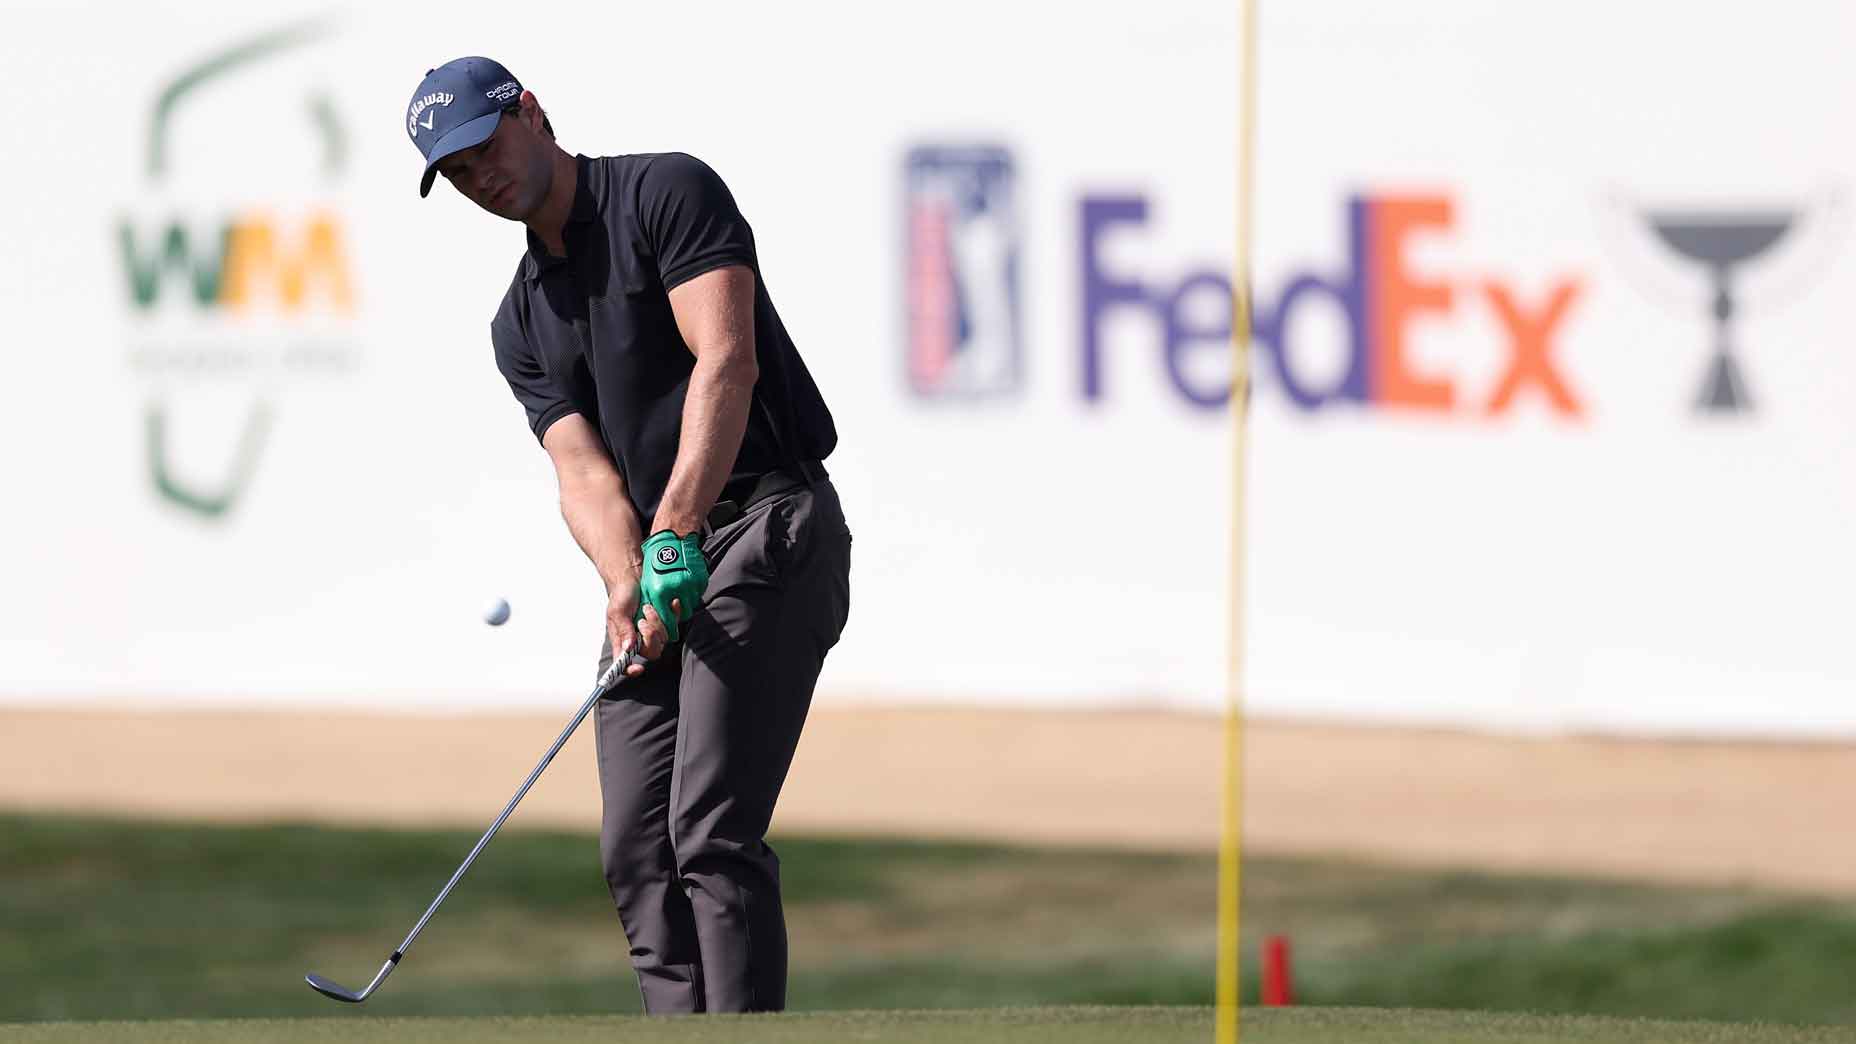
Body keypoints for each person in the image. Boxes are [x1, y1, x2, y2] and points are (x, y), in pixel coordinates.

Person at [404, 56, 851, 1014]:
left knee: (709, 830)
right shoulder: (519, 321)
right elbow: (584, 472)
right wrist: (623, 574)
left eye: (486, 148)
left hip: (769, 525)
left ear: (530, 111)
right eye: (460, 172)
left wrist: (675, 532)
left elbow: (724, 360)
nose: (483, 178)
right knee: (636, 849)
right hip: (661, 562)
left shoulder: (666, 191)